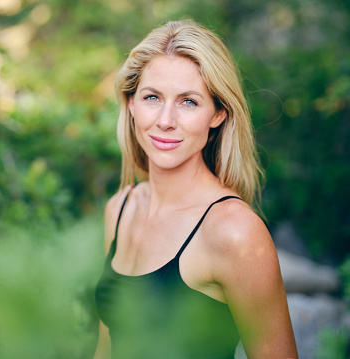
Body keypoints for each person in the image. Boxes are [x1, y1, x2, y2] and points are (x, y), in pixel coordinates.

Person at [94, 20, 298, 359]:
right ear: (131, 103)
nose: (165, 120)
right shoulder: (119, 209)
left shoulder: (235, 232)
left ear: (218, 113)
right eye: (152, 97)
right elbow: (106, 347)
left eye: (188, 102)